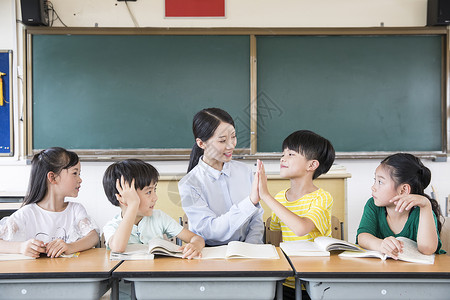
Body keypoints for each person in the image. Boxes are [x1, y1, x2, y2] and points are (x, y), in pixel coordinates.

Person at [256, 130, 335, 299]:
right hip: (287, 281)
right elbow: (276, 236)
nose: (283, 159)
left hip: (315, 282)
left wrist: (265, 196)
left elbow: (301, 228)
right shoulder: (279, 199)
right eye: (283, 153)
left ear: (311, 165)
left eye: (291, 154)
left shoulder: (322, 197)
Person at [178, 108, 264, 246]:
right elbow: (211, 231)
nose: (231, 145)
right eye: (222, 140)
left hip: (247, 252)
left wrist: (250, 247)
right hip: (208, 256)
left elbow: (256, 219)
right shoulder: (189, 184)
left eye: (233, 136)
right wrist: (249, 203)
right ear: (201, 143)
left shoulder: (245, 171)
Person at [0, 147, 99, 258]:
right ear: (52, 177)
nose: (80, 179)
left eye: (79, 174)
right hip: (35, 273)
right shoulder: (27, 213)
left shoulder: (75, 210)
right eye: (75, 173)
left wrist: (70, 246)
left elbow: (93, 236)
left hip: (67, 273)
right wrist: (21, 247)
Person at [102, 159, 204, 259]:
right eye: (149, 192)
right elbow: (118, 248)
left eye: (154, 189)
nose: (155, 198)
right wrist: (133, 204)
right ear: (123, 198)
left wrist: (196, 245)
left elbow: (196, 238)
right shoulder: (112, 226)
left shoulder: (159, 217)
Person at [357, 153, 445, 258]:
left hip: (418, 272)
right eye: (375, 180)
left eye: (380, 182)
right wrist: (381, 245)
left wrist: (426, 205)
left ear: (403, 190)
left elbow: (427, 249)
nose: (373, 187)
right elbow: (362, 237)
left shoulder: (422, 211)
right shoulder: (373, 205)